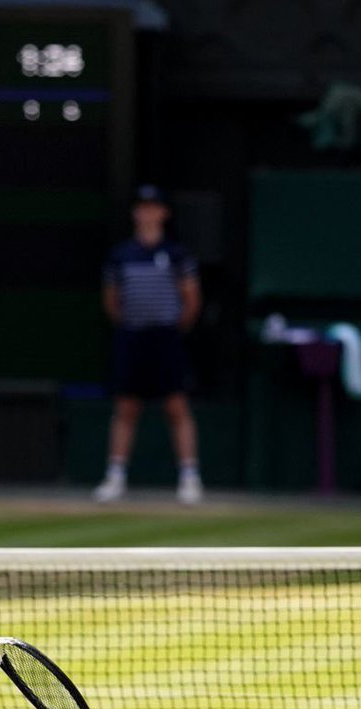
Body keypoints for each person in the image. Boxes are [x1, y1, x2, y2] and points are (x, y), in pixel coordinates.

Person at [94, 185, 204, 505]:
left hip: (166, 338)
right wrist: (132, 325)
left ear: (163, 213)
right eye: (142, 206)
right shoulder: (121, 255)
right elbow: (112, 301)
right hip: (132, 337)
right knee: (126, 408)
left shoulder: (177, 255)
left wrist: (171, 327)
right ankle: (115, 477)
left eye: (153, 206)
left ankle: (189, 477)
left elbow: (191, 299)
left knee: (176, 407)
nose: (147, 212)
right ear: (135, 212)